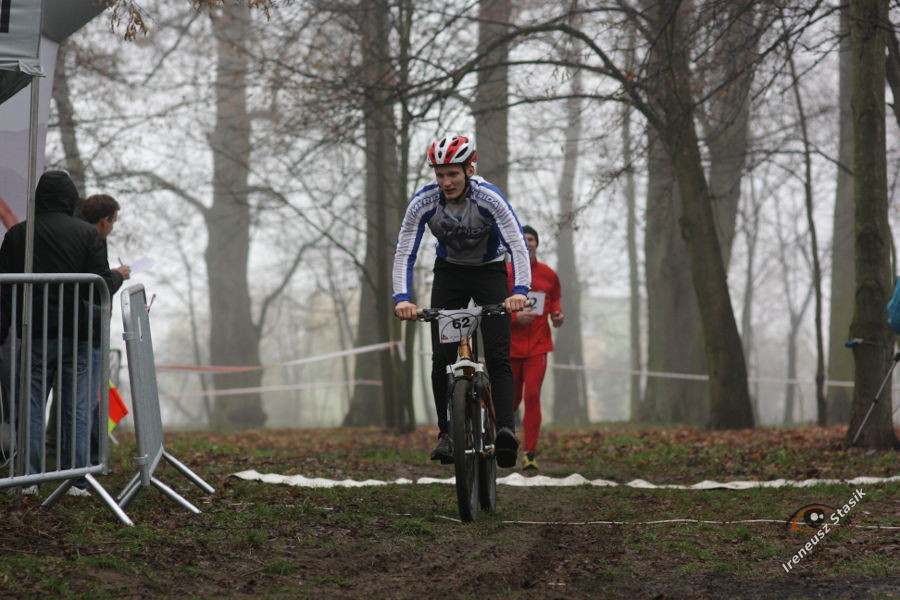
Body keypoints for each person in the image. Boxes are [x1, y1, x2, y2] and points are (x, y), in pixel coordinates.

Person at [393, 135, 531, 468]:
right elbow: (404, 251)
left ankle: (507, 433)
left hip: (490, 272)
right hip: (450, 274)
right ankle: (446, 434)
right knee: (441, 358)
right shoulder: (424, 202)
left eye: (452, 174)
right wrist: (402, 298)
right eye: (440, 175)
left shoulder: (488, 198)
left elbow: (517, 244)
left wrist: (520, 291)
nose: (446, 182)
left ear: (470, 169)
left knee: (498, 355)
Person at [0, 171, 118, 495]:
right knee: (76, 409)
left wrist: (3, 329)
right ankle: (76, 479)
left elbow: (4, 291)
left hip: (35, 332)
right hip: (78, 335)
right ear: (70, 199)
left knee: (32, 408)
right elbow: (101, 287)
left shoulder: (18, 234)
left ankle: (28, 480)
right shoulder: (86, 235)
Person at [78, 193, 131, 467]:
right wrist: (117, 276)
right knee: (90, 397)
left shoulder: (82, 235)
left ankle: (84, 458)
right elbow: (99, 282)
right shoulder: (92, 240)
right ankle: (89, 459)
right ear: (104, 221)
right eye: (113, 222)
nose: (112, 228)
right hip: (87, 331)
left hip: (74, 328)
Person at [507, 225, 563, 471]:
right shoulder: (504, 272)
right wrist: (515, 319)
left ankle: (530, 453)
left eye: (531, 239)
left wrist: (557, 316)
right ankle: (498, 443)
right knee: (511, 400)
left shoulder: (548, 274)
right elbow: (493, 306)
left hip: (538, 347)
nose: (527, 243)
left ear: (536, 244)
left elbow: (555, 300)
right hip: (509, 347)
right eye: (522, 239)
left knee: (531, 396)